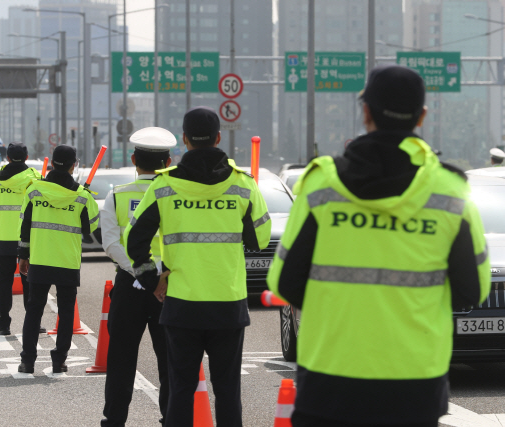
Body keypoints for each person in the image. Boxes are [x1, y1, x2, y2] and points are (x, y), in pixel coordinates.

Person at [267, 65, 491, 427]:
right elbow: (472, 290)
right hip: (415, 381)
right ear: (421, 116)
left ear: (366, 111)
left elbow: (285, 282)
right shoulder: (450, 190)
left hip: (329, 376)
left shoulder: (322, 182)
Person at [125, 107, 271, 427]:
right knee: (228, 391)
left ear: (184, 140)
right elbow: (259, 239)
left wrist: (152, 280)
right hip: (227, 303)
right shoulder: (243, 184)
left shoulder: (163, 186)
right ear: (218, 137)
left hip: (181, 303)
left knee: (180, 390)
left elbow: (134, 239)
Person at [100, 127, 175, 427]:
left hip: (128, 288)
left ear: (133, 159)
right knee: (169, 360)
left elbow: (110, 244)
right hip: (167, 287)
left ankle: (114, 421)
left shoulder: (117, 196)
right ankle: (170, 418)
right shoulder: (173, 197)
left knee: (120, 359)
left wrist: (139, 273)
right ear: (169, 161)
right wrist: (157, 278)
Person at [17, 145, 99, 374]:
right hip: (67, 261)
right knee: (66, 312)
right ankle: (59, 360)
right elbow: (89, 227)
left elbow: (24, 225)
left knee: (34, 310)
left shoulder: (34, 190)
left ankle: (28, 361)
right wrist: (84, 198)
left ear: (52, 163)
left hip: (40, 258)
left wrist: (23, 255)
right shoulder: (82, 195)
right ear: (74, 165)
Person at [0, 142, 41, 335]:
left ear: (7, 158)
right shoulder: (34, 178)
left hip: (2, 237)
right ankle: (32, 323)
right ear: (26, 157)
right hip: (27, 238)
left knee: (4, 283)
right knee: (30, 282)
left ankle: (3, 324)